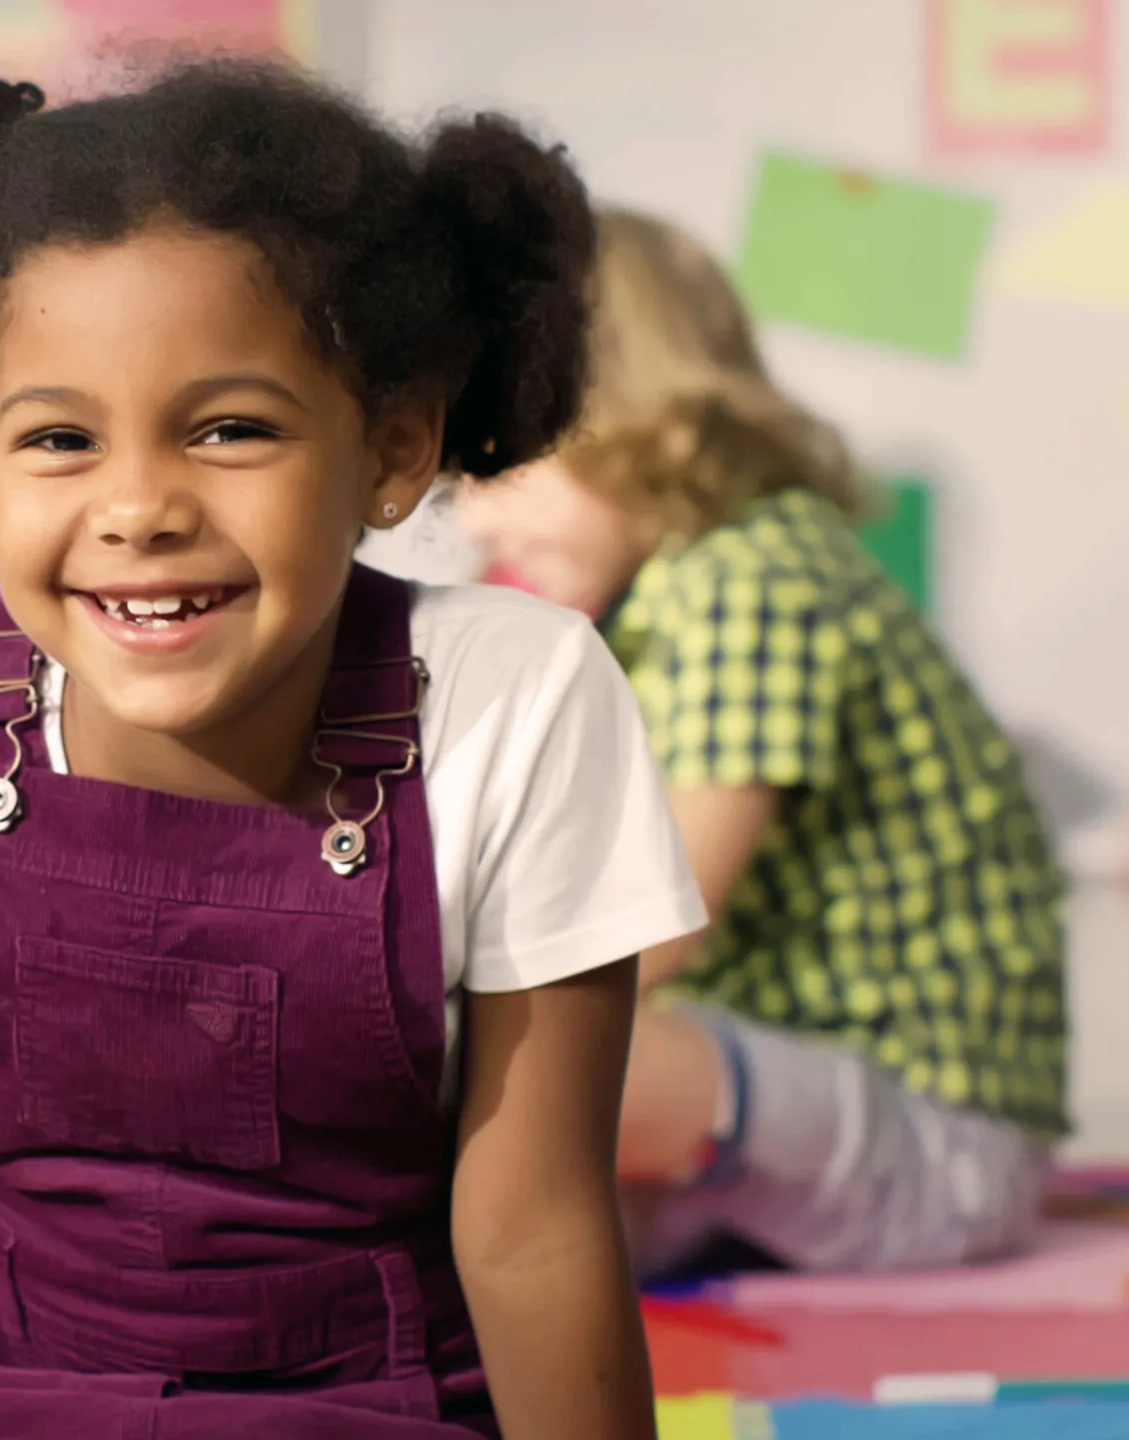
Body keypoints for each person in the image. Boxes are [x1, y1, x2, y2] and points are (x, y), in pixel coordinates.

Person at [0, 61, 710, 1439]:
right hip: (0, 1409)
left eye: (229, 429)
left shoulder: (514, 698)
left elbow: (537, 1225)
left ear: (394, 448)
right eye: (60, 439)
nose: (137, 508)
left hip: (380, 1411)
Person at [458, 208, 1069, 1277]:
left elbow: (654, 927)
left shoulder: (752, 583)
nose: (473, 521)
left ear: (624, 419)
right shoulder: (664, 594)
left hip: (937, 1143)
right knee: (487, 1218)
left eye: (498, 469)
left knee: (513, 1064)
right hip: (789, 1114)